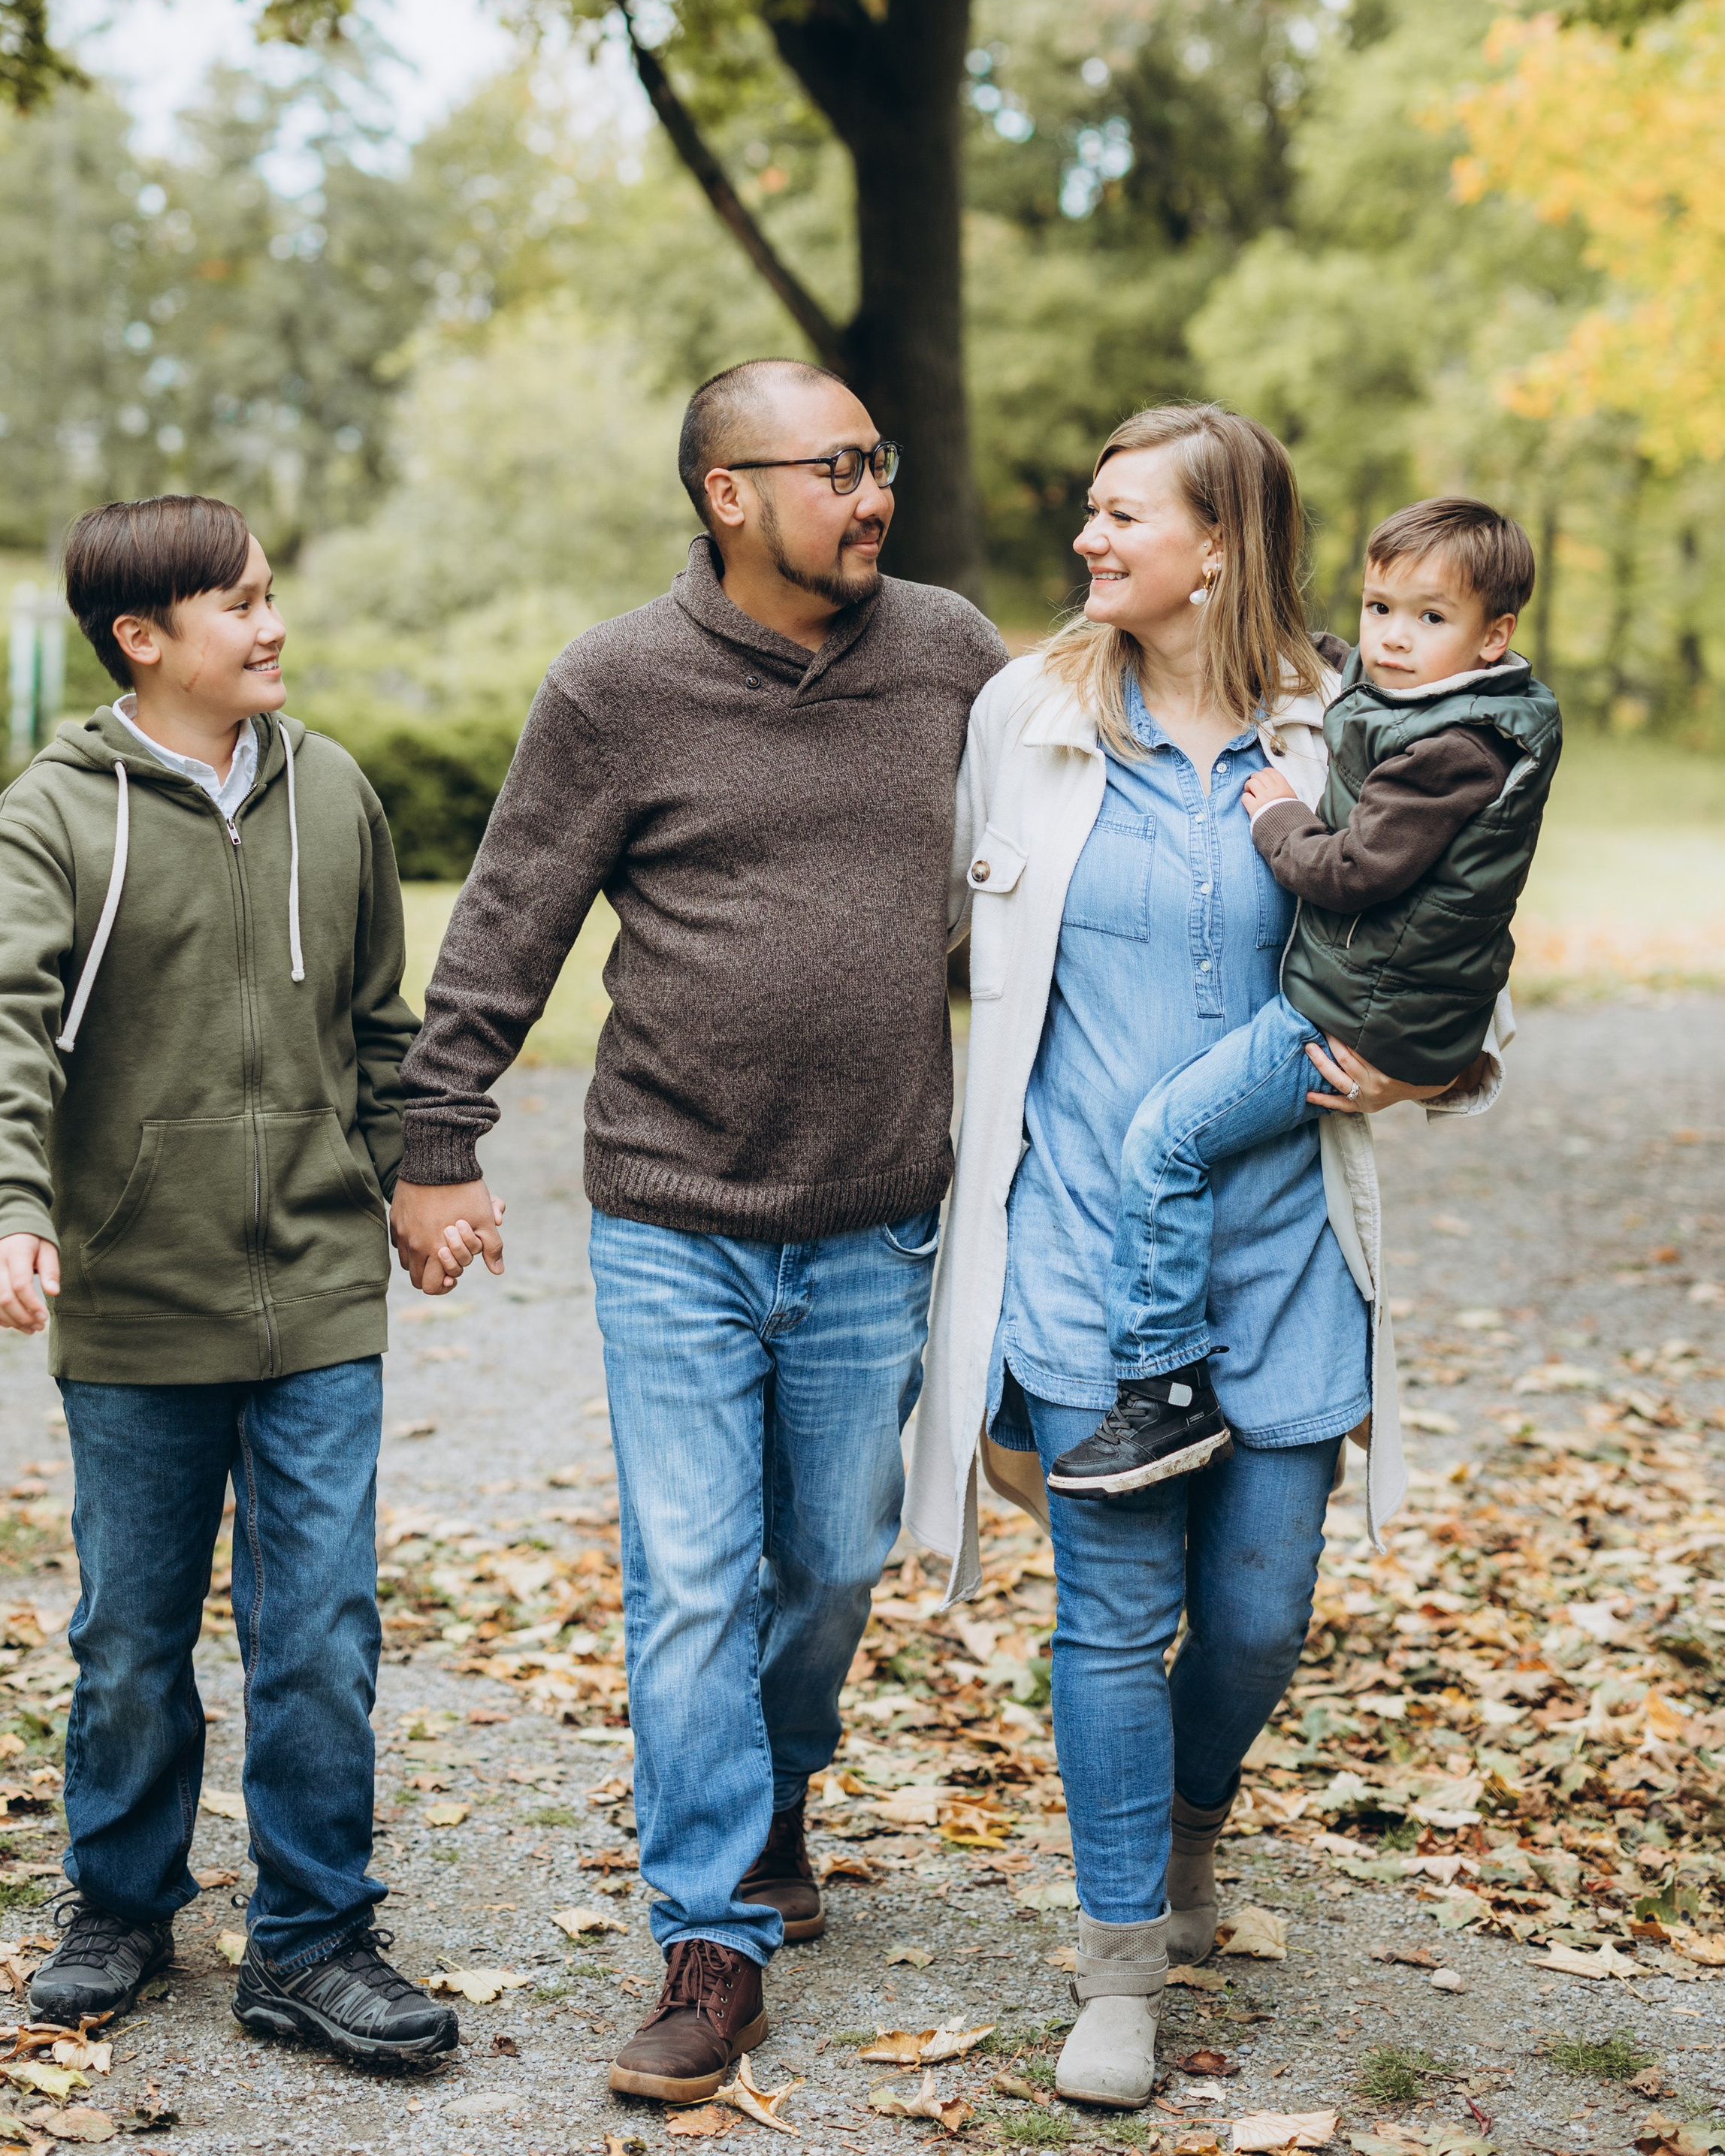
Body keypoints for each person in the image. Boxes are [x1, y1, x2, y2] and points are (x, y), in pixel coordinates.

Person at [393, 358, 1007, 2109]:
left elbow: (1073, 835)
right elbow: (511, 917)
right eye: (833, 468)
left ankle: (773, 1786)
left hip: (877, 1209)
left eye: (876, 461)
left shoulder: (950, 653)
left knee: (824, 1566)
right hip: (672, 1210)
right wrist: (436, 1139)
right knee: (687, 1583)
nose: (871, 493)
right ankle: (712, 1937)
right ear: (725, 493)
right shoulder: (615, 686)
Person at [905, 404, 1502, 2112]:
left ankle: (1184, 1822)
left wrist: (1435, 1059)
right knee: (1106, 1617)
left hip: (1284, 1247)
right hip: (1084, 1247)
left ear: (1218, 546)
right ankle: (1115, 1967)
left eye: (1117, 517)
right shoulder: (1021, 717)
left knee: (1253, 1615)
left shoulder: (1352, 729)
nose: (1087, 543)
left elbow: (1458, 946)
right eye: (1088, 514)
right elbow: (939, 937)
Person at [0, 496, 458, 2073]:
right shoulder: (51, 817)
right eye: (236, 605)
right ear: (142, 640)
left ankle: (311, 1938)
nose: (271, 624)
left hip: (313, 1291)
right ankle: (119, 1901)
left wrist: (414, 1179)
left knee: (319, 1630)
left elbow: (382, 1022)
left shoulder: (336, 794)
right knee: (131, 1636)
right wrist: (9, 1207)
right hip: (136, 1297)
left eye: (269, 593)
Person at [1053, 494, 1560, 1496]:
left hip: (1352, 1012)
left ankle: (1164, 1393)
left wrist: (1277, 817)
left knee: (1164, 1141)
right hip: (1375, 996)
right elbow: (1362, 704)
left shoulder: (1459, 750)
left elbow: (1354, 872)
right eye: (1380, 610)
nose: (1392, 640)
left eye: (1429, 620)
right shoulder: (1443, 704)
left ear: (1494, 636)